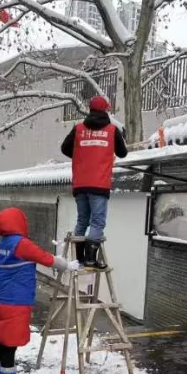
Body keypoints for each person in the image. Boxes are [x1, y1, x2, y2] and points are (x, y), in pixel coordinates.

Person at [0, 207, 78, 374]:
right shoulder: (21, 244)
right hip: (16, 302)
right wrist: (67, 265)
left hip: (2, 299)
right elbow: (44, 258)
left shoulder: (3, 243)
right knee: (9, 345)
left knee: (1, 341)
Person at [61, 95, 128, 267]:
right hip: (99, 184)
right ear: (105, 110)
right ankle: (91, 258)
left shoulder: (78, 129)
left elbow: (64, 148)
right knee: (97, 221)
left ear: (90, 110)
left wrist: (82, 156)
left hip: (80, 184)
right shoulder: (112, 130)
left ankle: (79, 258)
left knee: (82, 220)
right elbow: (123, 153)